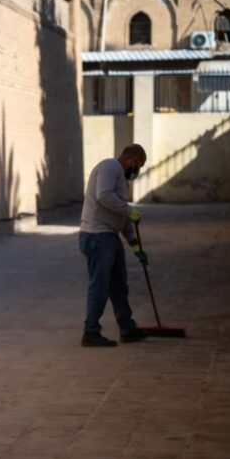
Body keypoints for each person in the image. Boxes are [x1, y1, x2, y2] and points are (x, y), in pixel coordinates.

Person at [78, 144, 149, 347]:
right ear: (133, 159)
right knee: (99, 285)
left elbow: (122, 215)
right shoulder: (110, 166)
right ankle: (90, 332)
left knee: (119, 286)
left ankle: (127, 328)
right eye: (139, 165)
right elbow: (104, 196)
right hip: (97, 236)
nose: (137, 171)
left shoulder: (121, 180)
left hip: (109, 236)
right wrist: (129, 210)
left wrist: (135, 246)